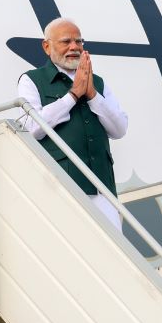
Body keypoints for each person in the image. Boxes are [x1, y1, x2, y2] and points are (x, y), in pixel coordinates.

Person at [17, 18, 128, 230]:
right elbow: (31, 127)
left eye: (79, 41)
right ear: (47, 46)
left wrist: (92, 95)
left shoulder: (98, 82)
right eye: (66, 41)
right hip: (59, 188)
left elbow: (120, 129)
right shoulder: (31, 80)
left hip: (102, 189)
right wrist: (74, 95)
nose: (74, 47)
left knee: (110, 245)